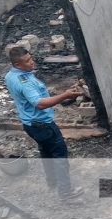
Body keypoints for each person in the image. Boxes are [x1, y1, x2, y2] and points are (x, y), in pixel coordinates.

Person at [5, 47, 83, 201]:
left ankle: (52, 182)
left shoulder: (10, 75)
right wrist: (65, 95)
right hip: (43, 125)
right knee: (60, 156)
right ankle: (66, 193)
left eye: (31, 58)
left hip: (29, 124)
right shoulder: (25, 82)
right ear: (18, 64)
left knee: (46, 152)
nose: (32, 62)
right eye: (27, 61)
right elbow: (40, 104)